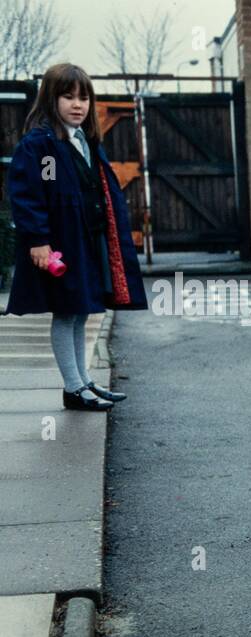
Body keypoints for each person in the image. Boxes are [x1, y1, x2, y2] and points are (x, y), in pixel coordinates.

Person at [5, 63, 147, 410]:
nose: (77, 105)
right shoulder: (44, 146)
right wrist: (39, 240)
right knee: (67, 313)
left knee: (81, 311)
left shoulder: (84, 140)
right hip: (61, 244)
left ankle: (83, 381)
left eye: (83, 97)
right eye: (67, 97)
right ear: (50, 100)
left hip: (87, 239)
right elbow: (31, 193)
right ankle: (72, 389)